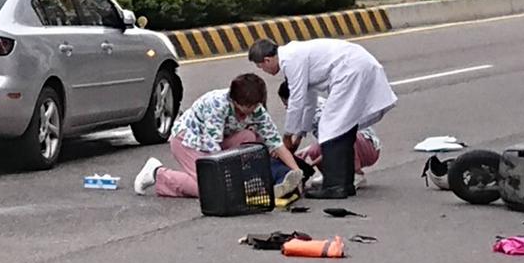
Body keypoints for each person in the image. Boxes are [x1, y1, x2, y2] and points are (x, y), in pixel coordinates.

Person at [249, 38, 396, 199]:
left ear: (267, 60)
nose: (263, 70)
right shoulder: (293, 55)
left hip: (350, 70)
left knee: (331, 127)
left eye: (261, 66)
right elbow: (309, 100)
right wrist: (301, 131)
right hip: (355, 66)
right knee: (343, 127)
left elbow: (297, 100)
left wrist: (288, 134)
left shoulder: (290, 60)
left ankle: (334, 186)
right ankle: (346, 183)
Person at [134, 73, 304, 199]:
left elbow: (275, 143)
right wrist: (227, 183)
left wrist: (297, 172)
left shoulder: (257, 110)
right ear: (234, 100)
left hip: (220, 142)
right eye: (246, 106)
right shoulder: (217, 105)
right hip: (188, 141)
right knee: (211, 188)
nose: (251, 110)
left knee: (251, 138)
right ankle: (158, 173)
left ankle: (238, 182)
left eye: (254, 105)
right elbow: (213, 151)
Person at [277, 80, 381, 190]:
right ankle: (331, 175)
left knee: (342, 139)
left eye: (287, 105)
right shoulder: (310, 107)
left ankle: (356, 173)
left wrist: (310, 165)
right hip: (350, 143)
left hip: (366, 145)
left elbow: (336, 143)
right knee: (313, 150)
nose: (286, 109)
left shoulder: (318, 114)